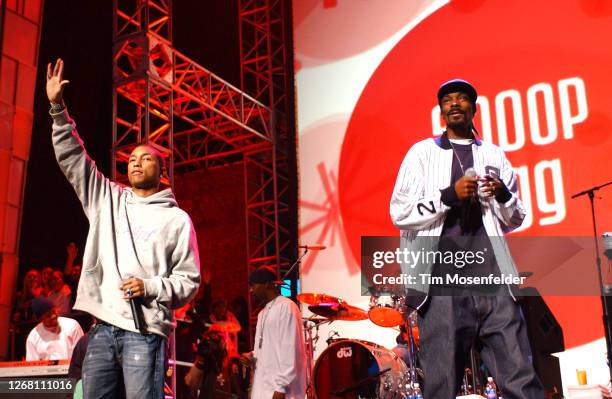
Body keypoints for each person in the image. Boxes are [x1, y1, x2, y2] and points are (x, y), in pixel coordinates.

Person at [46, 58, 201, 399]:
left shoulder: (177, 220)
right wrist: (58, 109)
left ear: (162, 171)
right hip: (101, 330)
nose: (135, 161)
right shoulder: (107, 199)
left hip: (144, 333)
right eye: (132, 157)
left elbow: (188, 282)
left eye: (146, 158)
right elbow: (75, 159)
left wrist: (149, 287)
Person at [389, 79, 545, 399]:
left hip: (492, 274)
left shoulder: (494, 154)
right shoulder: (421, 153)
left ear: (474, 108)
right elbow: (400, 212)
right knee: (442, 380)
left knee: (519, 372)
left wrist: (503, 194)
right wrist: (449, 195)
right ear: (441, 111)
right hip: (442, 275)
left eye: (462, 99)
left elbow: (515, 218)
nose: (455, 104)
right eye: (448, 100)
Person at [240, 267, 306, 399]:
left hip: (280, 391)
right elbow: (267, 348)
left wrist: (281, 387)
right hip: (263, 389)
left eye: (253, 285)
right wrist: (253, 356)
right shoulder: (262, 313)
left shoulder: (286, 307)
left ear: (267, 284)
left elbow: (290, 349)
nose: (251, 290)